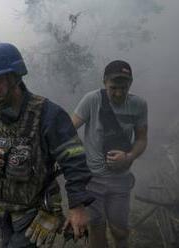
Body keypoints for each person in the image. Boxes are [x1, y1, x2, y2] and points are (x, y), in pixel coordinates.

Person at [0, 42, 94, 247]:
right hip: (1, 210)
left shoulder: (48, 114)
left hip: (35, 213)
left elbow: (74, 160)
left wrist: (77, 206)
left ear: (16, 76)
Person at [72, 60, 148, 248]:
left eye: (124, 87)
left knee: (119, 230)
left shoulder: (138, 105)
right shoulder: (92, 100)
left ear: (130, 83)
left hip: (120, 180)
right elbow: (68, 128)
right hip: (93, 180)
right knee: (96, 227)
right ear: (104, 82)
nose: (119, 93)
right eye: (113, 87)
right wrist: (80, 152)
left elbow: (141, 139)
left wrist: (128, 157)